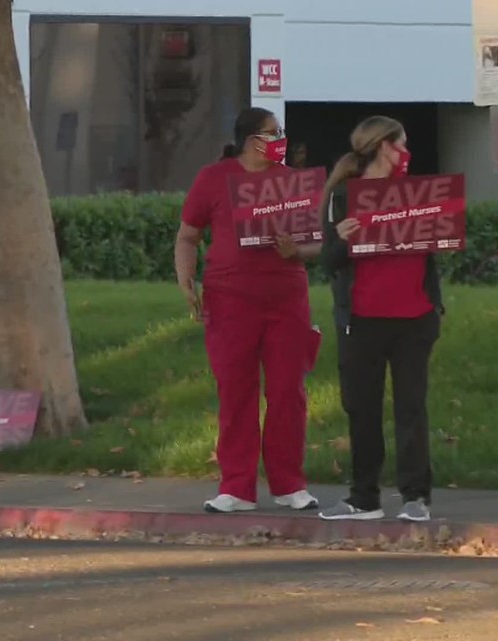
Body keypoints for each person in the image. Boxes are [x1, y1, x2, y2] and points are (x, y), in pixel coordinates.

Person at [174, 107, 320, 513]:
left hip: (286, 297)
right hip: (229, 299)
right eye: (274, 133)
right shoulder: (214, 179)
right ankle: (236, 486)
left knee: (288, 391)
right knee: (236, 391)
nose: (280, 139)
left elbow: (315, 244)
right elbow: (188, 236)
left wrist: (298, 250)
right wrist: (187, 281)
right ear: (252, 139)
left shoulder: (292, 182)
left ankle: (289, 482)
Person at [315, 116, 443, 523]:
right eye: (401, 143)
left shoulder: (418, 193)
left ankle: (415, 496)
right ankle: (364, 497)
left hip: (414, 317)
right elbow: (328, 263)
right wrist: (344, 240)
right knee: (362, 409)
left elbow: (436, 243)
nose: (406, 152)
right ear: (384, 146)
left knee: (411, 409)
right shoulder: (342, 197)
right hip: (362, 319)